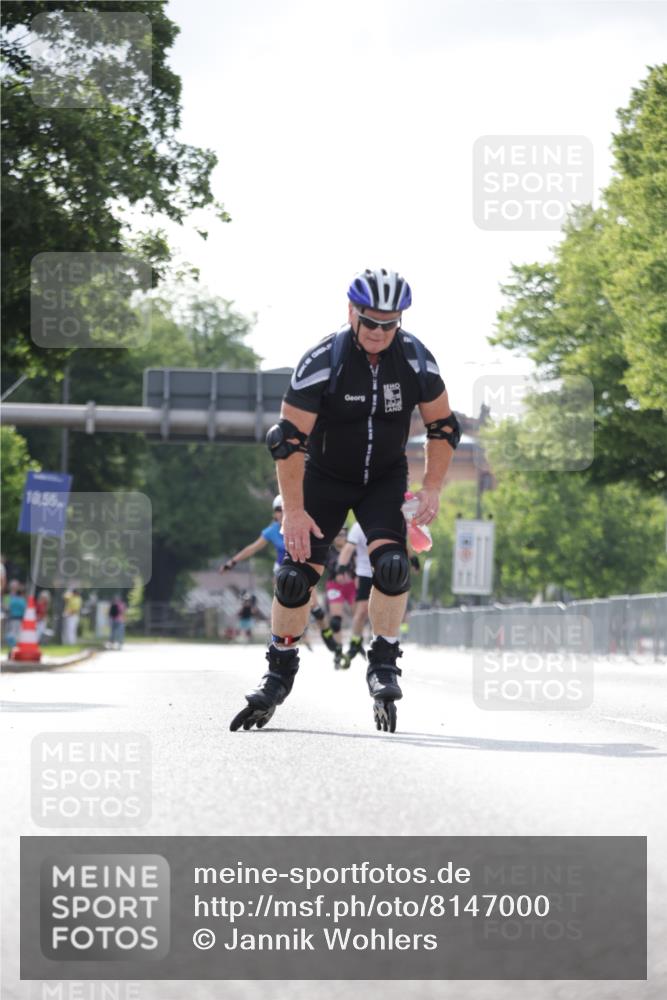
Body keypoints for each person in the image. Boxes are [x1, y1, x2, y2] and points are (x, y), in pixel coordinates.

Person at [230, 268, 460, 734]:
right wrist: (293, 513)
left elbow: (444, 427)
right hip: (325, 478)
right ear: (351, 312)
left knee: (393, 566)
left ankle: (383, 662)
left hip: (384, 479)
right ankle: (279, 670)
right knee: (295, 578)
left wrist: (432, 487)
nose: (378, 333)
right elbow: (287, 440)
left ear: (400, 322)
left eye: (389, 324)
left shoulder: (416, 359)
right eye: (370, 322)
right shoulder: (322, 360)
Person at [221, 494, 341, 657]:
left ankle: (327, 636)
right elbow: (253, 548)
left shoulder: (301, 523)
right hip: (281, 572)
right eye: (278, 510)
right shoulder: (271, 531)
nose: (281, 513)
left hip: (303, 569)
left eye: (284, 509)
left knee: (316, 610)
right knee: (283, 602)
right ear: (274, 514)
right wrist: (232, 562)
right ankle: (278, 641)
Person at [335, 520, 373, 668]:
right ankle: (355, 643)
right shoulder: (359, 526)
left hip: (384, 571)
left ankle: (381, 643)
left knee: (380, 610)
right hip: (365, 573)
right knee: (362, 611)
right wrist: (342, 567)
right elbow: (348, 548)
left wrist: (411, 558)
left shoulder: (388, 517)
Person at [5, 582, 26, 652]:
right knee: (16, 634)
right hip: (16, 619)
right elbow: (25, 609)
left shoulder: (15, 599)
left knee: (14, 634)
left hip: (15, 619)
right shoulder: (22, 600)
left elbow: (7, 608)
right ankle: (14, 648)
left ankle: (13, 648)